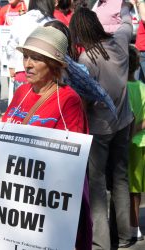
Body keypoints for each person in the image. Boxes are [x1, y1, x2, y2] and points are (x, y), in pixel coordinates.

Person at [2, 26, 92, 250]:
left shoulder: (68, 100)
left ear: (54, 65)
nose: (27, 64)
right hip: (19, 201)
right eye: (26, 57)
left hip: (48, 209)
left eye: (36, 59)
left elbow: (72, 159)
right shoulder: (22, 92)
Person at [69, 5, 133, 249]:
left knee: (97, 186)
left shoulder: (88, 58)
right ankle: (126, 235)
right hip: (125, 121)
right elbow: (127, 23)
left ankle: (101, 243)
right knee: (120, 179)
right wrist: (126, 7)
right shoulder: (120, 41)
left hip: (100, 129)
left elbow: (85, 100)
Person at [6, 0, 55, 90]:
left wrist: (11, 66)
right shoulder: (54, 22)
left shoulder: (20, 20)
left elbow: (11, 45)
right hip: (46, 73)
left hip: (22, 70)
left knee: (22, 102)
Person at [127, 45, 145, 242]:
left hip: (127, 143)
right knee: (136, 188)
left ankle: (130, 227)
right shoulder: (143, 88)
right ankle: (135, 226)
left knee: (125, 187)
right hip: (141, 142)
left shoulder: (121, 89)